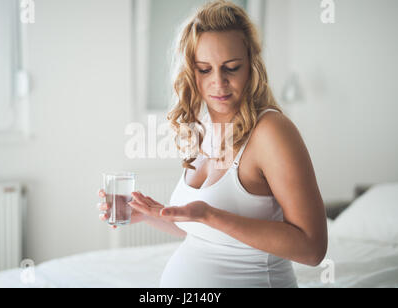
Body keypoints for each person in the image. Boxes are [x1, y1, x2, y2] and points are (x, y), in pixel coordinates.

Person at [98, 0, 327, 288]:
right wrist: (147, 214)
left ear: (251, 65)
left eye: (231, 68)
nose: (218, 82)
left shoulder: (272, 131)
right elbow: (203, 231)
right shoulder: (202, 126)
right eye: (204, 69)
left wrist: (210, 214)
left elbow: (312, 248)